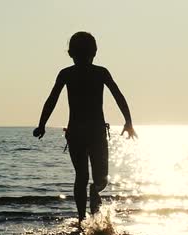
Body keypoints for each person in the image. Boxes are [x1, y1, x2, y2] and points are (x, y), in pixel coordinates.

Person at [33, 31, 137, 223]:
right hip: (95, 132)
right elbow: (119, 96)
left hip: (76, 133)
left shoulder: (67, 73)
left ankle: (82, 220)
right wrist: (128, 121)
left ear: (70, 53)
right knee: (101, 178)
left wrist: (42, 125)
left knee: (81, 176)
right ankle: (94, 192)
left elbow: (51, 100)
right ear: (95, 52)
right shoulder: (99, 72)